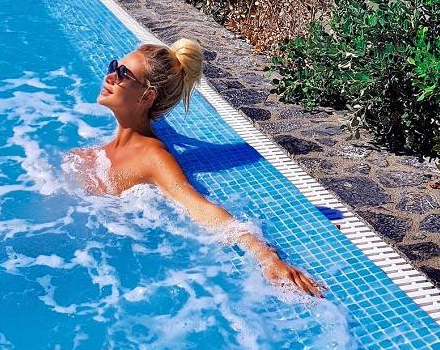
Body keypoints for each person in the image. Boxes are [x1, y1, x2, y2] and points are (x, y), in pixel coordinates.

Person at [71, 38, 326, 298]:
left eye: (123, 74)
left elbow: (199, 207)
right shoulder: (120, 135)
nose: (110, 76)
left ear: (147, 96)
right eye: (114, 66)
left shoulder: (152, 157)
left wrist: (266, 256)